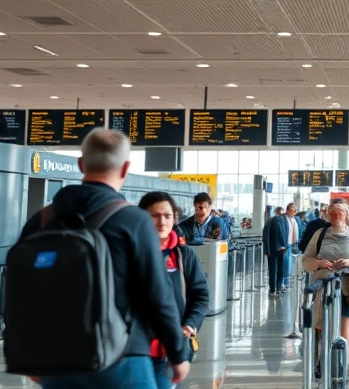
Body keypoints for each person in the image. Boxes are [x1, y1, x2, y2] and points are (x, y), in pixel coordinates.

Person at [18, 129, 190, 388]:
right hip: (123, 355)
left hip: (56, 357)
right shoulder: (133, 221)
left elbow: (23, 290)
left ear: (80, 164)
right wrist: (178, 352)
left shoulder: (42, 219)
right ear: (125, 168)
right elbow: (157, 294)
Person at [138, 192, 209, 389]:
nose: (162, 221)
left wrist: (190, 324)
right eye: (154, 215)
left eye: (167, 216)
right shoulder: (129, 252)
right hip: (133, 353)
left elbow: (200, 295)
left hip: (168, 353)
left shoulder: (183, 255)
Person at [302, 201, 349, 377]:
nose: (336, 216)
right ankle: (322, 360)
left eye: (340, 213)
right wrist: (319, 263)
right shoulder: (320, 234)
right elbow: (305, 260)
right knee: (322, 328)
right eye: (333, 213)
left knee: (345, 329)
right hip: (324, 288)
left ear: (347, 215)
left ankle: (341, 369)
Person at [264, 206, 288, 295]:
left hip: (271, 248)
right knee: (279, 268)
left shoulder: (268, 221)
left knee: (272, 269)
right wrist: (285, 244)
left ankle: (272, 289)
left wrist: (266, 248)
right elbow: (281, 233)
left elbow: (265, 236)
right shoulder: (279, 220)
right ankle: (278, 287)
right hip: (279, 248)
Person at [280, 202, 304, 290]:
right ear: (288, 210)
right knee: (284, 263)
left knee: (289, 264)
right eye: (294, 209)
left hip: (291, 244)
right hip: (284, 244)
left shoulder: (294, 219)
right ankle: (282, 282)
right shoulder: (282, 219)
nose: (295, 210)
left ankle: (287, 281)